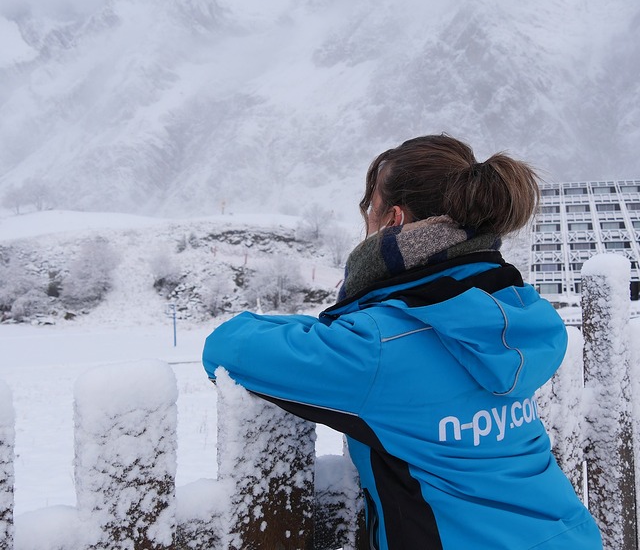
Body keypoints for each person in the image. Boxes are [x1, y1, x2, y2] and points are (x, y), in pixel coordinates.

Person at [202, 134, 603, 549]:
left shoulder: (379, 346)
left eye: (369, 211)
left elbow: (226, 348)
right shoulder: (514, 315)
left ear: (393, 220)